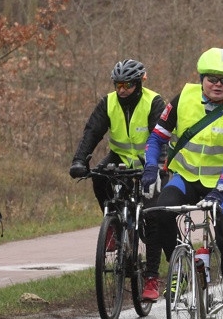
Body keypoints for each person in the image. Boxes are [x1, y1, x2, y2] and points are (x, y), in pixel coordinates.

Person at [142, 48, 223, 319]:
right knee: (159, 213)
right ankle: (180, 267)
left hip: (222, 185)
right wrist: (151, 167)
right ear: (201, 78)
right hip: (186, 178)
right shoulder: (183, 98)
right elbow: (157, 137)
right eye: (212, 78)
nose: (218, 84)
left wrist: (222, 187)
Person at [68, 59, 167, 300]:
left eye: (127, 85)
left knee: (153, 216)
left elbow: (160, 136)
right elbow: (92, 132)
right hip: (120, 156)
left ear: (139, 84)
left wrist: (157, 166)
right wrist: (80, 161)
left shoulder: (154, 102)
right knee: (99, 177)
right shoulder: (109, 102)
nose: (121, 90)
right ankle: (113, 225)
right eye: (118, 85)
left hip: (149, 161)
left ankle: (152, 278)